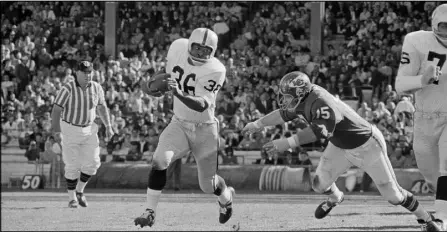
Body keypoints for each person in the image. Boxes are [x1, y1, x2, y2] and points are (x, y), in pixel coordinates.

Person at [242, 71, 444, 230]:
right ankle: (335, 197)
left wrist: (287, 142)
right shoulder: (302, 99)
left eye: (287, 96)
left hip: (367, 144)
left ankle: (425, 219)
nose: (284, 100)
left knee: (394, 196)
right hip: (340, 144)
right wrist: (258, 123)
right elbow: (283, 114)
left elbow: (318, 132)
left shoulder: (320, 101)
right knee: (319, 184)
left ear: (301, 93)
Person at [134, 28, 235, 228]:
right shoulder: (177, 48)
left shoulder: (216, 69)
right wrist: (153, 86)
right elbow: (169, 75)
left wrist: (177, 93)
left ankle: (226, 198)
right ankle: (149, 210)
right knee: (159, 159)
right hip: (179, 123)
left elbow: (201, 104)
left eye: (205, 50)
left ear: (213, 52)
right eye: (197, 48)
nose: (199, 53)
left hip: (205, 129)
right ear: (189, 45)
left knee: (208, 185)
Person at [394, 4, 447, 230]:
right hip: (424, 118)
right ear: (435, 25)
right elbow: (400, 85)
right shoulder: (416, 41)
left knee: (446, 167)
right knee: (432, 177)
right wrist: (421, 81)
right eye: (445, 26)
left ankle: (442, 219)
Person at [51, 61, 114, 208]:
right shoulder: (67, 88)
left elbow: (102, 107)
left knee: (93, 163)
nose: (88, 75)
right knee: (72, 165)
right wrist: (56, 132)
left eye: (90, 72)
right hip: (70, 128)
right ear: (77, 72)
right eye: (84, 72)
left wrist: (108, 126)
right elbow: (56, 110)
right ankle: (72, 198)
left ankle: (79, 190)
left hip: (89, 129)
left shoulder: (97, 87)